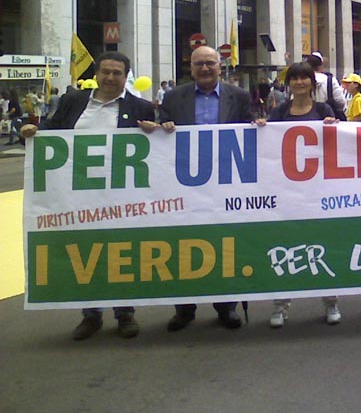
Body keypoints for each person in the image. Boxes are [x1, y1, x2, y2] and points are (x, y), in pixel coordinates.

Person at [20, 51, 157, 340]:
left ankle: (125, 313)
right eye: (105, 71)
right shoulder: (74, 100)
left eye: (117, 73)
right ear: (96, 73)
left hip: (121, 198)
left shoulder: (141, 107)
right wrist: (35, 131)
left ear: (126, 77)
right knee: (85, 252)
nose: (110, 77)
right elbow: (53, 129)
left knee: (121, 253)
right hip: (78, 195)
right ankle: (91, 314)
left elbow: (157, 151)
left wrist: (154, 131)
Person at [159, 45, 254, 329]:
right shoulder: (173, 97)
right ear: (191, 68)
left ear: (219, 66)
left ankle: (226, 307)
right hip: (184, 184)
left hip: (226, 182)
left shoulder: (239, 96)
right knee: (183, 244)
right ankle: (184, 309)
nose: (204, 68)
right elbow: (161, 132)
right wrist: (160, 127)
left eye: (210, 63)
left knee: (226, 244)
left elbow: (250, 131)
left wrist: (259, 126)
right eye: (199, 63)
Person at [266, 62, 341, 327]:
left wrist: (334, 126)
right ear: (289, 83)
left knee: (323, 245)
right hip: (287, 192)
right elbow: (268, 145)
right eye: (294, 78)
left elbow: (339, 144)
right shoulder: (280, 111)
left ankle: (330, 301)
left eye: (304, 78)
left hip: (318, 192)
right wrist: (261, 127)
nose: (299, 83)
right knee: (285, 246)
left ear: (312, 82)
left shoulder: (324, 110)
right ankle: (280, 305)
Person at [304, 51, 347, 120]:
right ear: (321, 66)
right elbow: (341, 101)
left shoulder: (302, 81)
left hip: (307, 120)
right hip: (329, 120)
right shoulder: (330, 80)